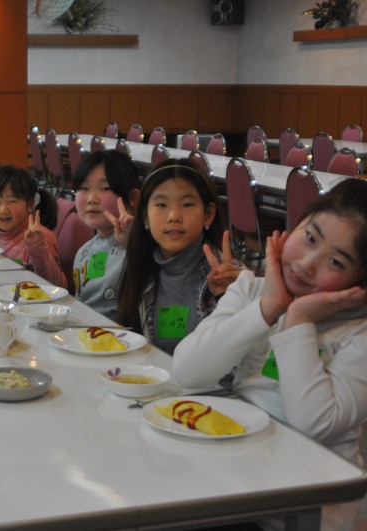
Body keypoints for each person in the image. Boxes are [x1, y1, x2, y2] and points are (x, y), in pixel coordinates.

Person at [173, 179, 367, 529]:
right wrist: (267, 308)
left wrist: (298, 320)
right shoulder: (253, 289)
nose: (307, 264)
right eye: (309, 237)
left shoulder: (358, 335)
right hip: (237, 482)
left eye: (336, 262)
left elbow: (314, 425)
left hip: (306, 508)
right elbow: (187, 370)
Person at [115, 159, 241, 355]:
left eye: (187, 204)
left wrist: (235, 299)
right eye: (161, 204)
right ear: (145, 217)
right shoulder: (141, 268)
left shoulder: (231, 278)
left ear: (208, 214)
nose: (174, 215)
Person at [71, 150, 141, 318]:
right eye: (84, 188)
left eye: (105, 188)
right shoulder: (84, 251)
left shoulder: (143, 246)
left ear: (132, 198)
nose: (92, 199)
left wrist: (135, 243)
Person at [0, 165, 67, 288]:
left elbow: (59, 286)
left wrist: (37, 248)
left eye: (12, 201)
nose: (3, 210)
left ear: (30, 205)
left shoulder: (39, 237)